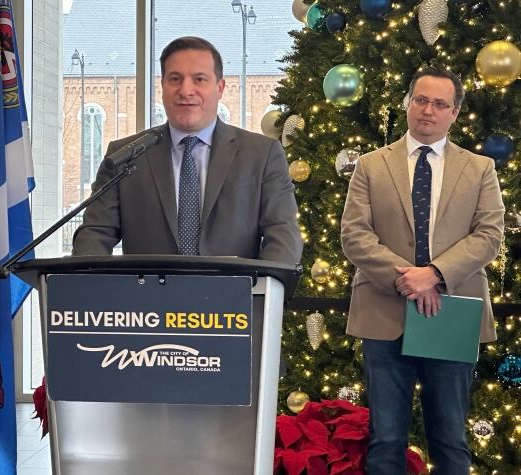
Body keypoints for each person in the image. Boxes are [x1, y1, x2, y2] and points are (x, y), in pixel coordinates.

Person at [341, 68, 504, 474]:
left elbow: (489, 235)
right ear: (408, 103)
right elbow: (354, 235)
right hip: (384, 314)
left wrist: (433, 273)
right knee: (386, 441)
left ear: (455, 112)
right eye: (420, 100)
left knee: (450, 441)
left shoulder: (480, 169)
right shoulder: (371, 165)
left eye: (439, 104)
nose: (427, 110)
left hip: (451, 314)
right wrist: (407, 280)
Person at [72, 36, 302, 265]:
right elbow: (94, 234)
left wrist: (262, 290)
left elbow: (283, 234)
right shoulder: (125, 156)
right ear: (162, 86)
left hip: (236, 298)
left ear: (220, 88)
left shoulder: (262, 154)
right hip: (145, 299)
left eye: (199, 79)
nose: (186, 90)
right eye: (175, 79)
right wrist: (88, 290)